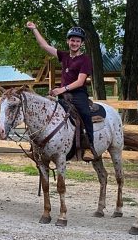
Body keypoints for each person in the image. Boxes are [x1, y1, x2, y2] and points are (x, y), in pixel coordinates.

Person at [27, 21, 94, 161]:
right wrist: (34, 29)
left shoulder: (85, 59)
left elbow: (80, 81)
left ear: (81, 43)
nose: (74, 43)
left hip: (78, 94)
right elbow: (44, 46)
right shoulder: (64, 56)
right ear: (68, 41)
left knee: (85, 114)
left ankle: (88, 146)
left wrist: (61, 89)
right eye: (72, 40)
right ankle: (42, 145)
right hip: (63, 95)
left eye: (77, 41)